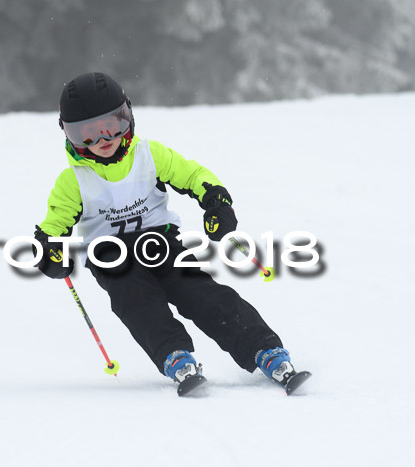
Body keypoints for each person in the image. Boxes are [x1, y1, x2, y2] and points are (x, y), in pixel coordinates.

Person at [33, 71, 307, 395]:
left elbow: (192, 175)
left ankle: (265, 349)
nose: (103, 140)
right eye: (87, 134)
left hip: (160, 240)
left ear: (128, 117)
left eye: (111, 126)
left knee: (199, 293)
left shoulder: (150, 155)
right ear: (69, 135)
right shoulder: (73, 181)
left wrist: (216, 201)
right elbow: (53, 225)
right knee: (135, 298)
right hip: (108, 253)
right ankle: (175, 355)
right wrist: (50, 251)